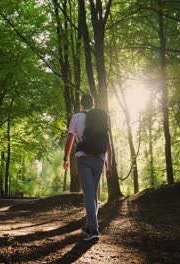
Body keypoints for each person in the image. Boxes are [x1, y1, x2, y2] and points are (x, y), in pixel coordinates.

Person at [63, 94, 112, 241]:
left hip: (83, 159)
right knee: (93, 194)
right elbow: (108, 144)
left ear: (81, 105)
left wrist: (66, 158)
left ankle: (93, 230)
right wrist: (108, 165)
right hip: (99, 158)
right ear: (93, 104)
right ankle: (90, 226)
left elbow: (70, 140)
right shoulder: (101, 117)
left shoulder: (76, 117)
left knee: (89, 194)